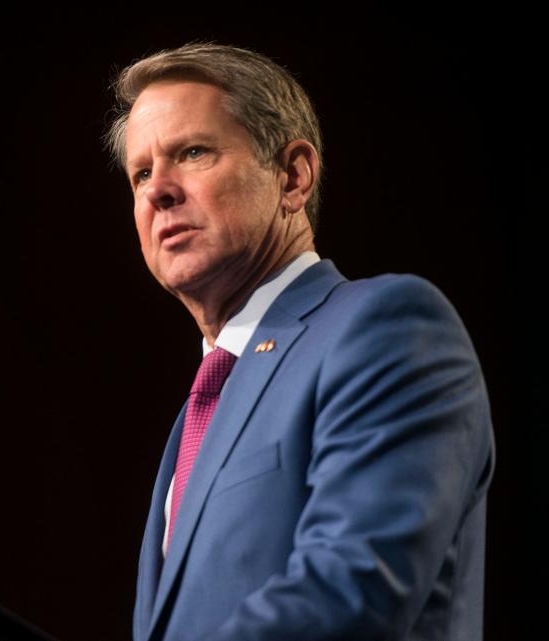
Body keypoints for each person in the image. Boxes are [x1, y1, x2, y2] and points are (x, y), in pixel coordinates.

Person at [104, 43, 495, 641]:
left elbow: (348, 589)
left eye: (192, 152)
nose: (158, 190)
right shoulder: (196, 414)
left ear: (293, 176)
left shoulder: (385, 327)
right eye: (140, 174)